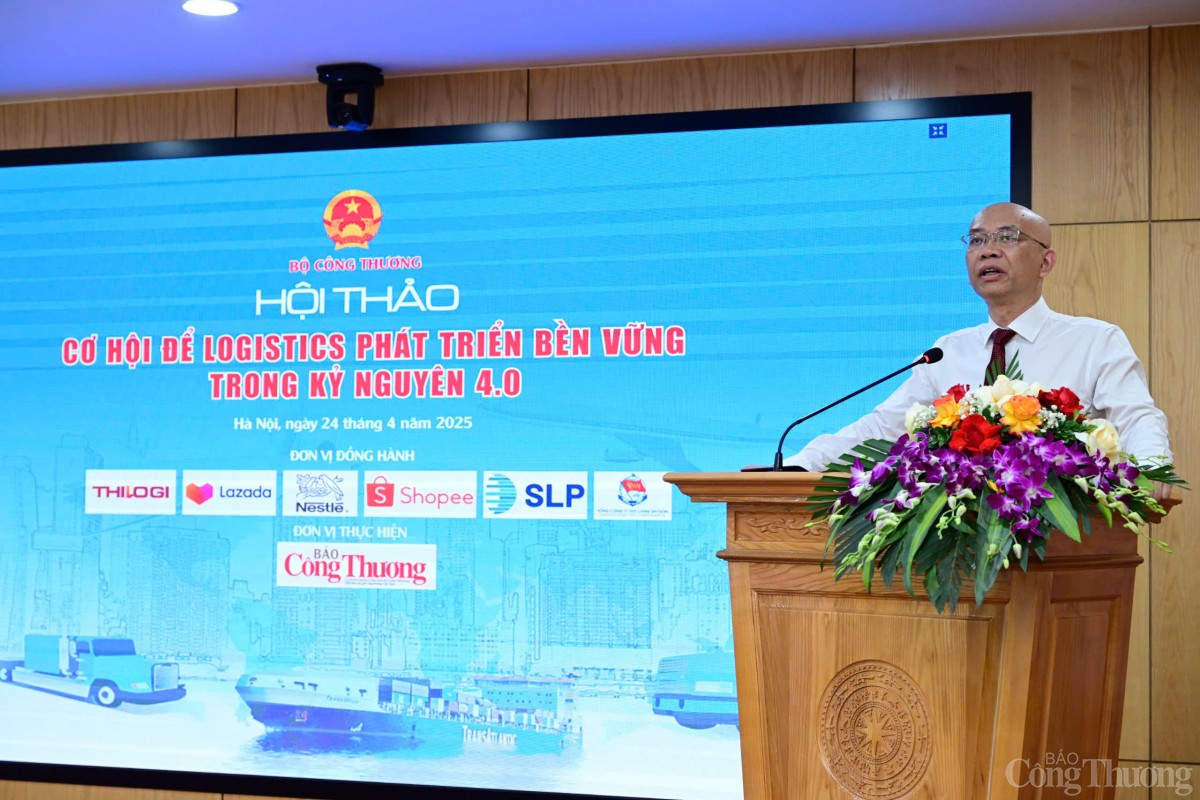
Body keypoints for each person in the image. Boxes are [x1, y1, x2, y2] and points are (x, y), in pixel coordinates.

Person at [785, 202, 1173, 497]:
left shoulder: (1094, 341)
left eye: (1007, 237)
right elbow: (881, 428)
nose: (988, 250)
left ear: (1046, 262)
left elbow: (1136, 417)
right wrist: (798, 467)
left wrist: (1152, 468)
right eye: (977, 240)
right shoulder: (946, 352)